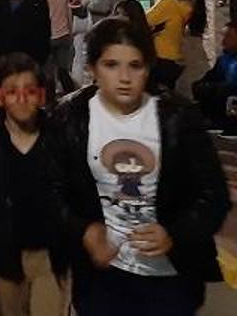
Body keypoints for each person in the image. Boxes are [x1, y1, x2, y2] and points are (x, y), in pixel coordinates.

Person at [47, 18, 231, 315]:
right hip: (101, 278)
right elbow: (51, 190)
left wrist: (175, 232)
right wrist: (85, 231)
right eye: (111, 65)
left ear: (148, 68)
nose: (124, 77)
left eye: (135, 65)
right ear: (92, 68)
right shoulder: (71, 118)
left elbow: (214, 195)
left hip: (170, 280)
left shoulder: (176, 117)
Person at [0, 53, 69, 316]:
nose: (21, 99)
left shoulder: (59, 139)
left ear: (41, 95)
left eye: (30, 91)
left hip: (49, 256)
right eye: (11, 92)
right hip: (4, 255)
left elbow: (74, 197)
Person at [145, 0, 204, 93]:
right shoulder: (181, 1)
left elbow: (143, 21)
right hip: (172, 57)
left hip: (161, 57)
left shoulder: (169, 2)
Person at [32, 0, 76, 97]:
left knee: (48, 75)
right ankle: (73, 98)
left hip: (47, 38)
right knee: (63, 72)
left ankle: (50, 104)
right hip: (63, 35)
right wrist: (69, 33)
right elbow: (68, 13)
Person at [192, 19, 237, 134]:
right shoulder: (224, 59)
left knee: (222, 90)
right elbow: (211, 76)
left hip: (231, 92)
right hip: (223, 91)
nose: (224, 41)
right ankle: (214, 121)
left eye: (229, 37)